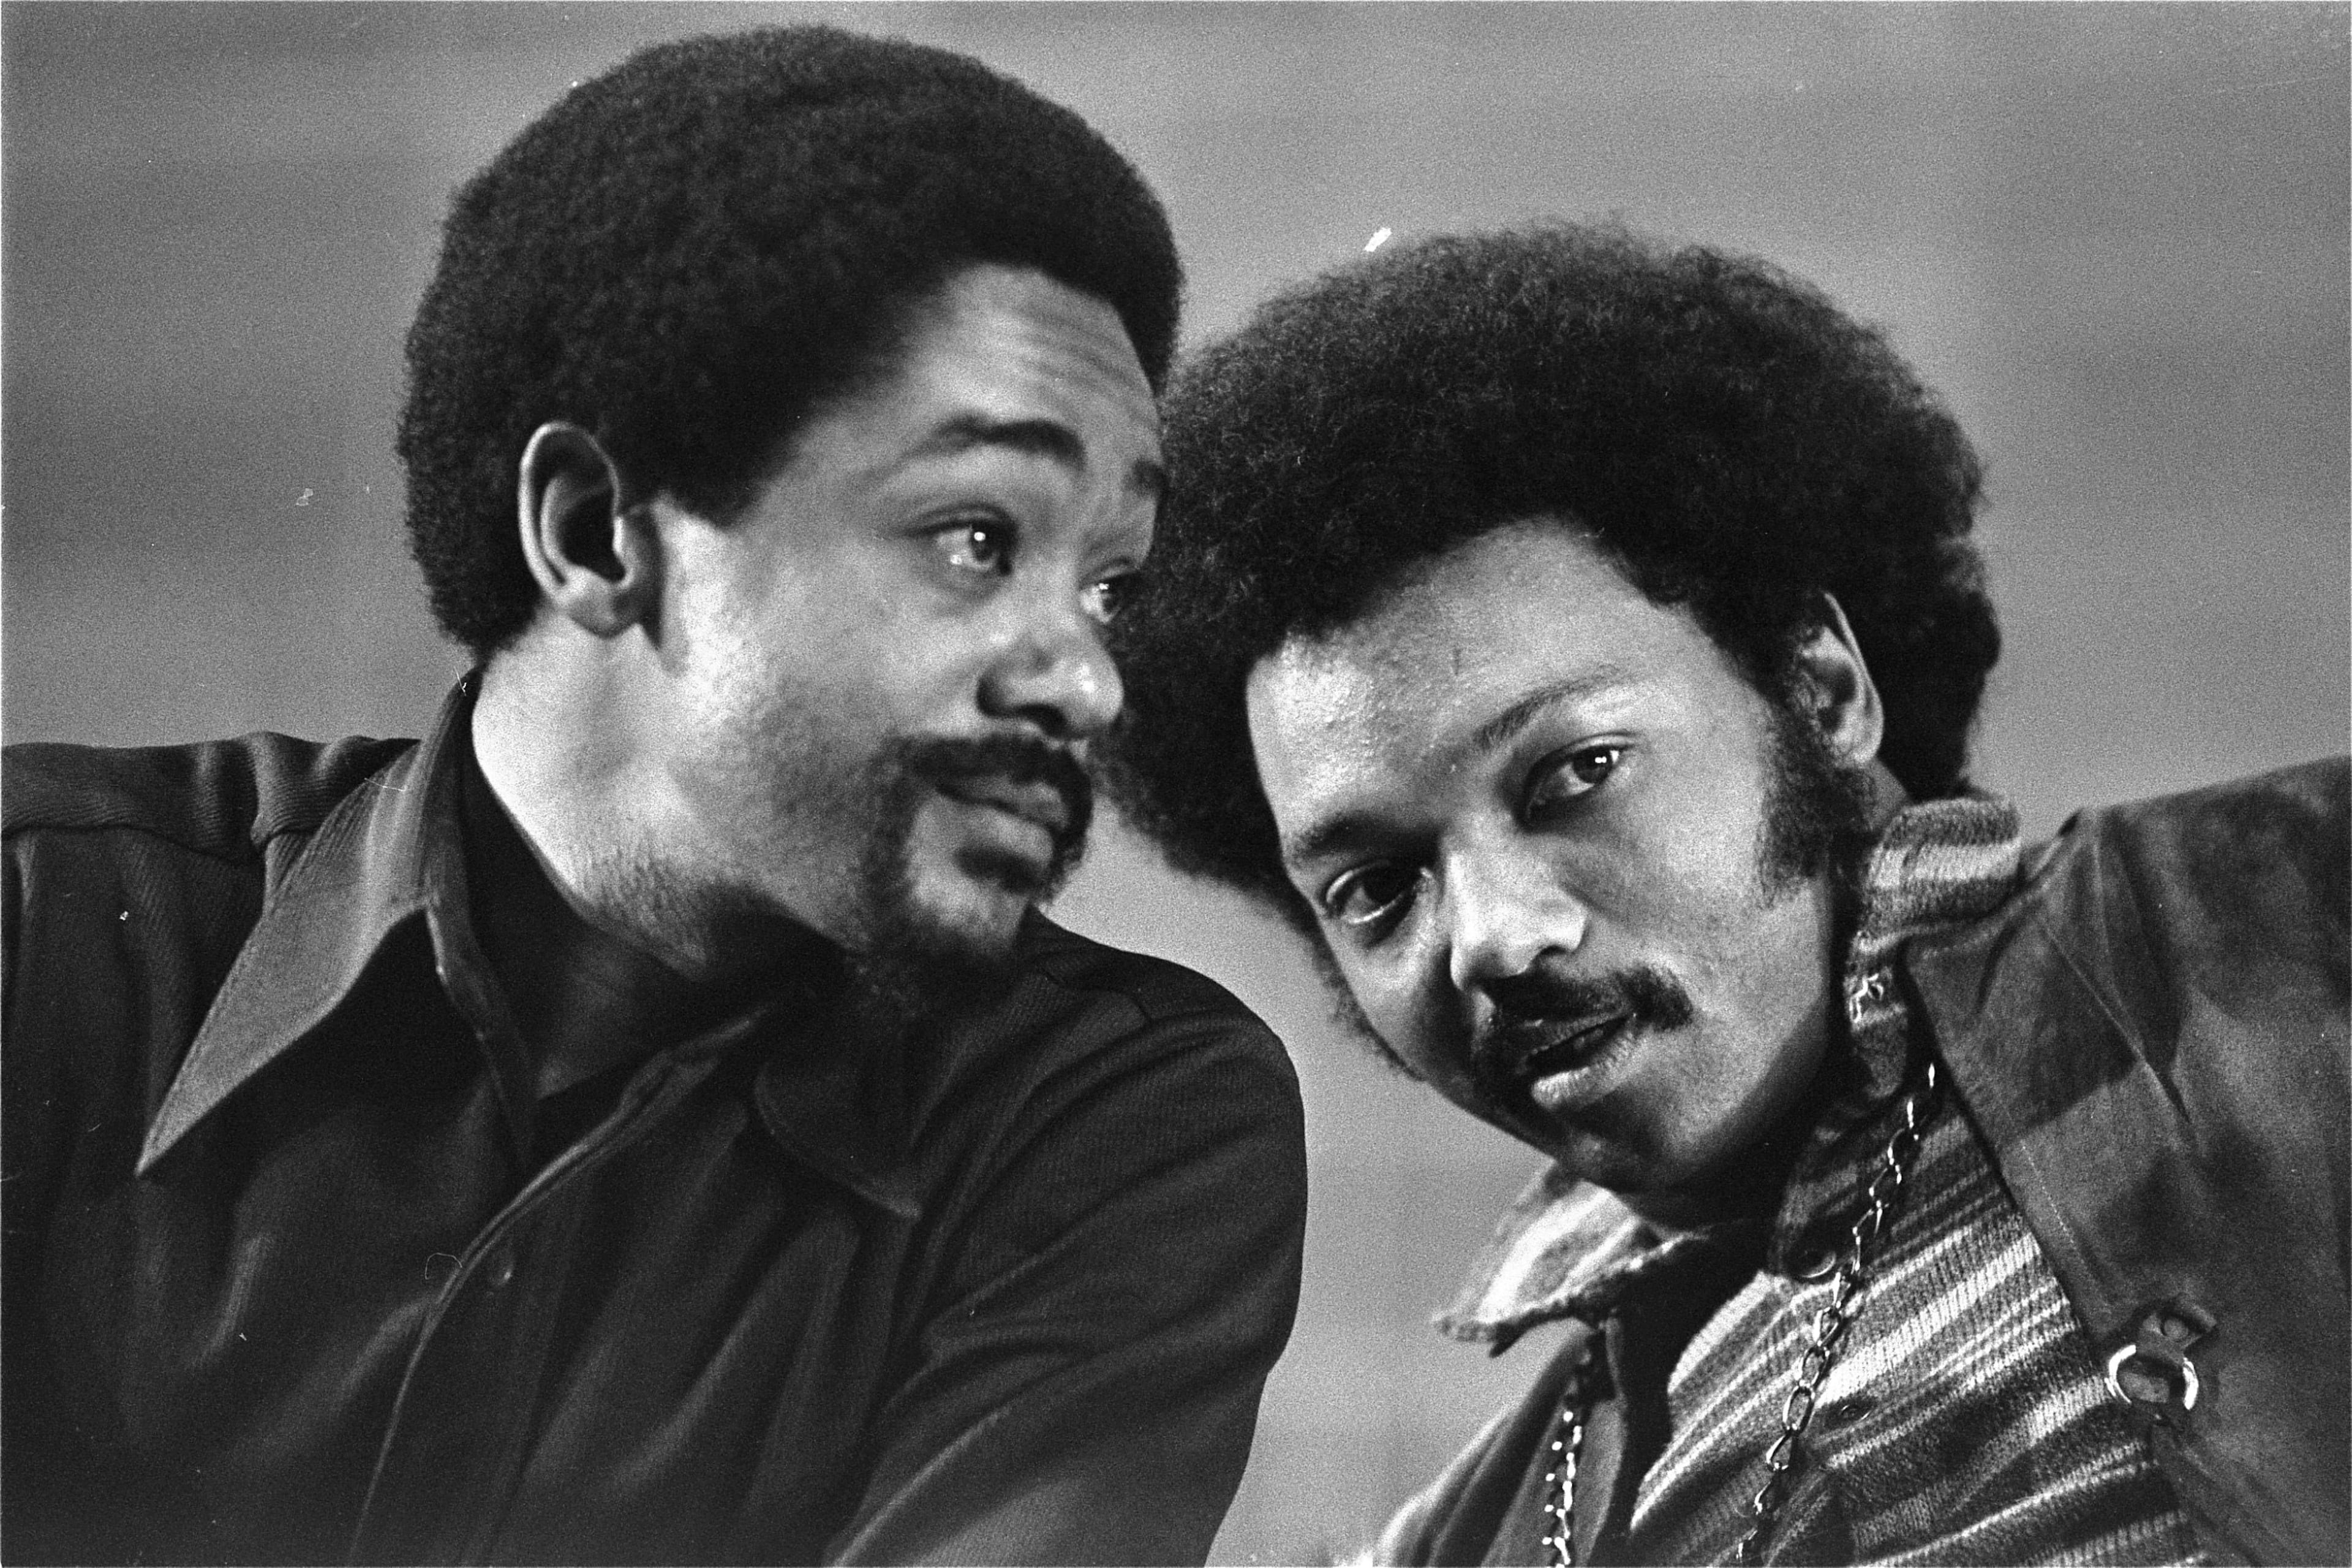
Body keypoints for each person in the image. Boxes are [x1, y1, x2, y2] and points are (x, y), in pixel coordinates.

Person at [2, 28, 1306, 1566]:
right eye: (974, 538)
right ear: (597, 531)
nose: (1091, 682)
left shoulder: (1115, 1126)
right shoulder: (48, 932)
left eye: (1113, 584)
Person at [1100, 222, 2346, 1565]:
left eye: (1575, 771)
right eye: (1375, 886)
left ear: (1819, 688)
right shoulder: (1484, 1534)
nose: (1496, 935)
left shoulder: (2290, 936)